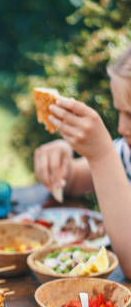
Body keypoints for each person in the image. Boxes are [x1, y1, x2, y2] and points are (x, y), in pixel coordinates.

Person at [34, 46, 131, 278]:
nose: (121, 127)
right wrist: (62, 159)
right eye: (120, 112)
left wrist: (102, 155)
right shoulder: (127, 153)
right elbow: (75, 179)